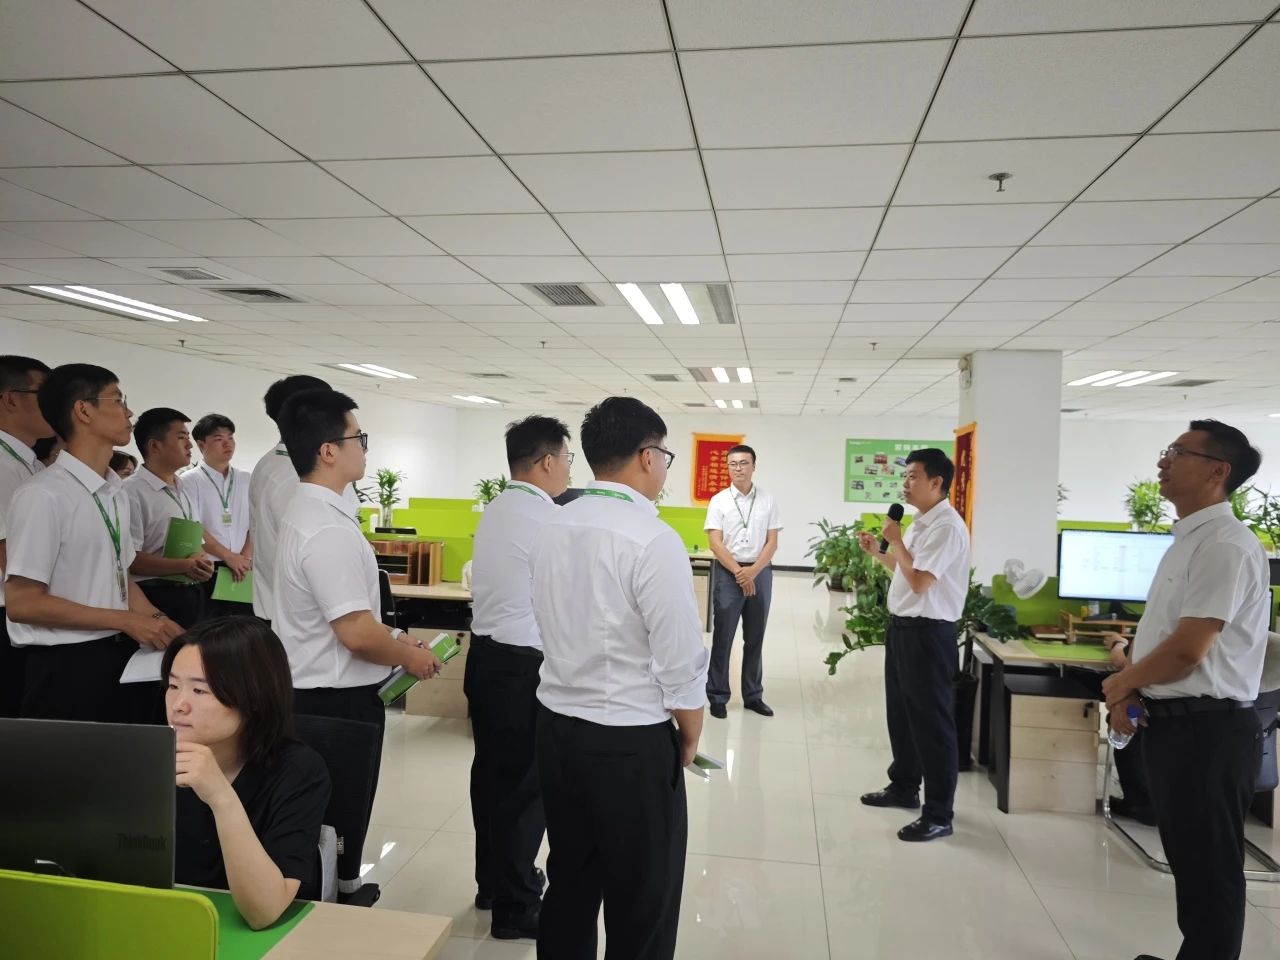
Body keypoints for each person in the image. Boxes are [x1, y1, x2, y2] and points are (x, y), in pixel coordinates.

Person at [530, 396, 708, 960]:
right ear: (648, 456)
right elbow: (680, 658)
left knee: (571, 879)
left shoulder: (551, 526)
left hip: (556, 730)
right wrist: (690, 733)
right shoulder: (653, 539)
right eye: (665, 458)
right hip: (629, 741)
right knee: (643, 897)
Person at [1102, 420, 1268, 960]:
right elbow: (1164, 636)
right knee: (1192, 863)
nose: (1162, 462)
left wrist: (1121, 681)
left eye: (1177, 452)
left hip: (1210, 730)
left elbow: (1188, 651)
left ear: (1218, 471)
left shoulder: (1225, 546)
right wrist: (1130, 690)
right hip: (1180, 725)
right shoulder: (1190, 540)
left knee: (1210, 872)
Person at [273, 388, 441, 901]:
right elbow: (355, 634)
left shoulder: (314, 512)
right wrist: (412, 657)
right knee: (339, 809)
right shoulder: (326, 528)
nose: (365, 448)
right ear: (328, 450)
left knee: (339, 808)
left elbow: (353, 618)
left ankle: (342, 887)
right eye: (358, 437)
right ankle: (336, 902)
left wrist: (396, 636)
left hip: (318, 691)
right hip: (334, 701)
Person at [4, 364, 183, 723]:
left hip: (118, 655)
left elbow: (120, 577)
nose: (129, 412)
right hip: (66, 667)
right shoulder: (43, 495)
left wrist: (162, 623)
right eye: (118, 400)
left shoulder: (115, 492)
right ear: (83, 411)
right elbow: (22, 603)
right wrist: (126, 620)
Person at [466, 415, 571, 940]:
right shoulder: (546, 518)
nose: (569, 469)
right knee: (525, 790)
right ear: (547, 461)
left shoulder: (499, 507)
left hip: (486, 660)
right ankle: (517, 906)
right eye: (567, 459)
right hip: (522, 668)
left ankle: (493, 884)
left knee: (491, 778)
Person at [166, 617, 331, 928]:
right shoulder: (151, 756)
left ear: (253, 698)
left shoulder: (299, 771)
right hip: (162, 921)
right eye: (173, 686)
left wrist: (221, 797)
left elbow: (263, 912)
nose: (179, 705)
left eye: (200, 690)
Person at [858, 447, 970, 843]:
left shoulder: (947, 527)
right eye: (904, 477)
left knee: (931, 724)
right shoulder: (923, 523)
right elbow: (908, 572)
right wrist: (881, 553)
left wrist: (896, 542)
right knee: (902, 714)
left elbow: (922, 582)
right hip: (904, 629)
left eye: (913, 477)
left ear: (936, 482)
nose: (905, 484)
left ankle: (939, 813)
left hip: (928, 634)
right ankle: (904, 786)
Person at [249, 375, 352, 622]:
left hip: (289, 614)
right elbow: (317, 554)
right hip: (305, 620)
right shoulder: (295, 476)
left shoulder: (273, 464)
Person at [703, 443, 782, 719]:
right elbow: (715, 542)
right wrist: (739, 572)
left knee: (755, 637)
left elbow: (772, 543)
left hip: (760, 572)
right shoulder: (719, 501)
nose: (738, 468)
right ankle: (717, 696)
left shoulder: (768, 500)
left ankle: (753, 696)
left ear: (754, 466)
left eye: (743, 463)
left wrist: (752, 572)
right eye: (733, 464)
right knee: (723, 637)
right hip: (729, 573)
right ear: (728, 467)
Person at [125, 408, 214, 630]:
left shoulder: (182, 488)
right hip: (155, 597)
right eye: (181, 437)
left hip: (192, 592)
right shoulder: (130, 492)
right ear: (154, 446)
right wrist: (184, 565)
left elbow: (195, 542)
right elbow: (129, 559)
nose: (190, 445)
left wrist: (202, 562)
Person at [0, 356, 52, 717]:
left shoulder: (28, 462)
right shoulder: (3, 465)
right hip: (10, 612)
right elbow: (8, 554)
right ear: (11, 399)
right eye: (42, 394)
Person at [188, 414, 253, 617]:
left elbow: (256, 522)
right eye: (219, 439)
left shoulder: (246, 479)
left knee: (244, 626)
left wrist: (243, 558)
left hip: (244, 566)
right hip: (210, 568)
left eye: (230, 437)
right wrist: (228, 557)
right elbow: (194, 527)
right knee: (213, 626)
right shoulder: (189, 481)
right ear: (201, 445)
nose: (228, 444)